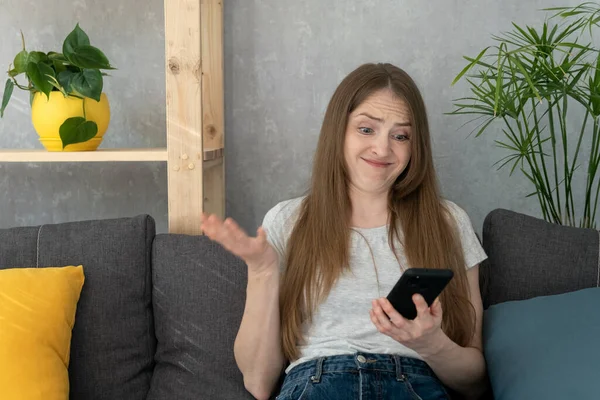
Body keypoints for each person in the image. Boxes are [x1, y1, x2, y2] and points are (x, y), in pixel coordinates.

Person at [201, 63, 488, 400]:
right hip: (318, 385)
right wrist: (262, 270)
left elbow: (476, 383)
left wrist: (431, 344)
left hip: (415, 386)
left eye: (400, 135)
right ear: (338, 131)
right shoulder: (287, 220)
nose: (382, 149)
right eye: (367, 129)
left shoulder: (448, 222)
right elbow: (259, 384)